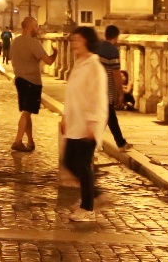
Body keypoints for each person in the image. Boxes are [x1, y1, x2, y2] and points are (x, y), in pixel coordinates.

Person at [60, 25, 108, 223]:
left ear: (87, 41)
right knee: (70, 161)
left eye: (78, 39)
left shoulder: (95, 67)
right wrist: (65, 117)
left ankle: (88, 207)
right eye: (73, 40)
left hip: (87, 124)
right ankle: (95, 196)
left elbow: (97, 97)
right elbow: (71, 93)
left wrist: (93, 124)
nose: (74, 43)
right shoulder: (79, 63)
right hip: (75, 123)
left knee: (82, 164)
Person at [9, 15, 56, 152]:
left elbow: (12, 58)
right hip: (32, 81)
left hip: (19, 79)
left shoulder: (15, 41)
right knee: (26, 112)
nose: (38, 28)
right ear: (29, 27)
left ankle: (30, 141)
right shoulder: (33, 43)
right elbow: (48, 61)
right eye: (36, 26)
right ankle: (18, 140)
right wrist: (55, 53)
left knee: (26, 111)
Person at [98, 25, 131, 151]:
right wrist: (121, 93)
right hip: (106, 90)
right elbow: (116, 74)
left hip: (95, 88)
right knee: (108, 116)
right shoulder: (112, 51)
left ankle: (120, 142)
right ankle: (120, 143)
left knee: (108, 117)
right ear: (116, 37)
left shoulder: (97, 48)